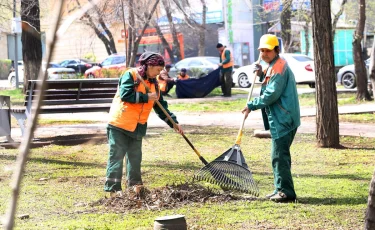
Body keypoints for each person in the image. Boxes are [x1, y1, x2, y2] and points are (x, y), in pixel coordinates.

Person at [104, 52, 184, 197]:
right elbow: (125, 94)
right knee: (117, 156)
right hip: (119, 124)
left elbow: (161, 108)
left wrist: (174, 123)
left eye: (161, 71)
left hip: (137, 127)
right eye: (158, 70)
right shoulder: (131, 75)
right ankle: (113, 190)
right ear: (149, 65)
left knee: (135, 158)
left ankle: (135, 187)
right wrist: (146, 97)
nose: (159, 73)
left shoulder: (155, 85)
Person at [241, 34, 300, 203]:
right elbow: (269, 82)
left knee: (279, 156)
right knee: (278, 155)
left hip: (284, 118)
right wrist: (261, 74)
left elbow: (272, 94)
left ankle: (286, 192)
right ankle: (279, 188)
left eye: (268, 50)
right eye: (262, 50)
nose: (265, 53)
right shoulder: (273, 65)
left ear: (276, 50)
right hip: (282, 117)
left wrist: (251, 105)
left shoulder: (279, 68)